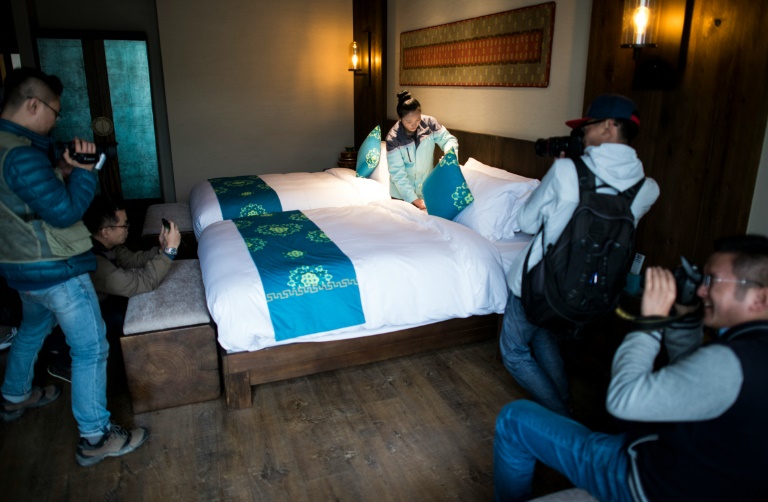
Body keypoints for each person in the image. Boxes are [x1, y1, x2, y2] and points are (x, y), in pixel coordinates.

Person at [493, 234, 768, 501]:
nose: (700, 290)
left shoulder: (731, 361)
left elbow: (623, 400)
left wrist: (650, 323)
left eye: (712, 280)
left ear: (761, 297)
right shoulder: (751, 352)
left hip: (647, 483)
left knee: (514, 417)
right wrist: (684, 319)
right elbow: (691, 381)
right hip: (691, 472)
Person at [0, 67, 148, 466]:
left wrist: (62, 172)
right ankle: (96, 436)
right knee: (90, 348)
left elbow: (26, 204)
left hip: (21, 269)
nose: (56, 121)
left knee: (32, 329)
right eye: (55, 112)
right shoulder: (22, 155)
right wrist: (84, 173)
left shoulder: (8, 148)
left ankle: (14, 395)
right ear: (34, 105)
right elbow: (64, 213)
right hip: (56, 269)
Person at [499, 94, 660, 416]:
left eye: (587, 127)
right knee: (544, 335)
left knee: (514, 351)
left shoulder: (567, 171)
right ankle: (565, 400)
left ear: (609, 127)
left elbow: (526, 222)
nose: (582, 135)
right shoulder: (647, 188)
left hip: (540, 282)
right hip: (588, 289)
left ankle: (561, 413)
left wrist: (557, 174)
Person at [45, 195, 182, 382]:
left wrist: (162, 249)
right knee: (119, 316)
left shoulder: (107, 245)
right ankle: (66, 362)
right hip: (71, 320)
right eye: (124, 225)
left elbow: (132, 261)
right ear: (106, 231)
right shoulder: (94, 261)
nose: (128, 228)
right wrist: (170, 251)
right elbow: (142, 283)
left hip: (95, 303)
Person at [385, 90, 459, 210]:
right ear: (400, 119)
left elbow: (449, 140)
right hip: (401, 194)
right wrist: (414, 200)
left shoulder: (430, 124)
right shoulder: (394, 138)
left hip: (425, 190)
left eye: (418, 120)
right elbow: (397, 174)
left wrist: (449, 155)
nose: (414, 125)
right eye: (408, 122)